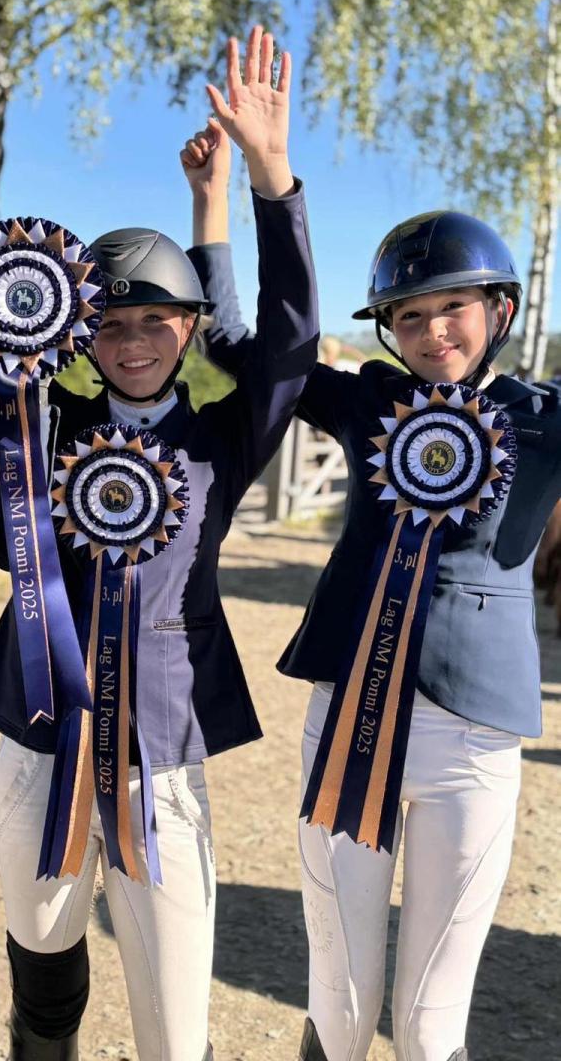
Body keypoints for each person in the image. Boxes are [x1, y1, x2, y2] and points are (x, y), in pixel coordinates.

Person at [0, 0, 318, 1060]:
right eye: (112, 324)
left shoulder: (224, 439)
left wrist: (270, 179)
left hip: (164, 756)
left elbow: (291, 340)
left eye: (155, 322)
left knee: (176, 1025)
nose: (131, 343)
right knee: (43, 979)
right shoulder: (48, 420)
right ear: (83, 335)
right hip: (40, 736)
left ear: (189, 328)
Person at [185, 124, 561, 1061]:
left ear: (500, 309)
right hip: (347, 714)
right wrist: (227, 197)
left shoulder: (544, 422)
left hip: (473, 741)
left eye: (453, 308)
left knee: (431, 1024)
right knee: (341, 1001)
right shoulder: (369, 402)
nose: (433, 333)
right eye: (409, 316)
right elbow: (241, 346)